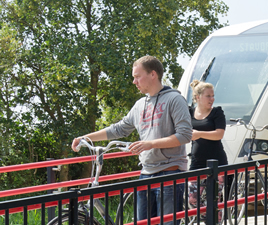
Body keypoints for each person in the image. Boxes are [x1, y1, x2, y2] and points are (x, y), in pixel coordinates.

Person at [70, 56, 191, 224]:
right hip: (146, 173)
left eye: (137, 76)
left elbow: (185, 135)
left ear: (153, 74)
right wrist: (85, 137)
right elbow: (118, 129)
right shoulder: (140, 104)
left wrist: (150, 144)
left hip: (170, 174)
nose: (134, 81)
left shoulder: (174, 99)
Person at [187, 80, 227, 208]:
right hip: (197, 162)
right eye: (208, 96)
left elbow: (219, 134)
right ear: (198, 97)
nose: (212, 99)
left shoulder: (217, 112)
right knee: (192, 200)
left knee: (214, 201)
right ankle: (207, 218)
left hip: (217, 162)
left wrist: (199, 134)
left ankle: (214, 221)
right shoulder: (189, 112)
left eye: (213, 95)